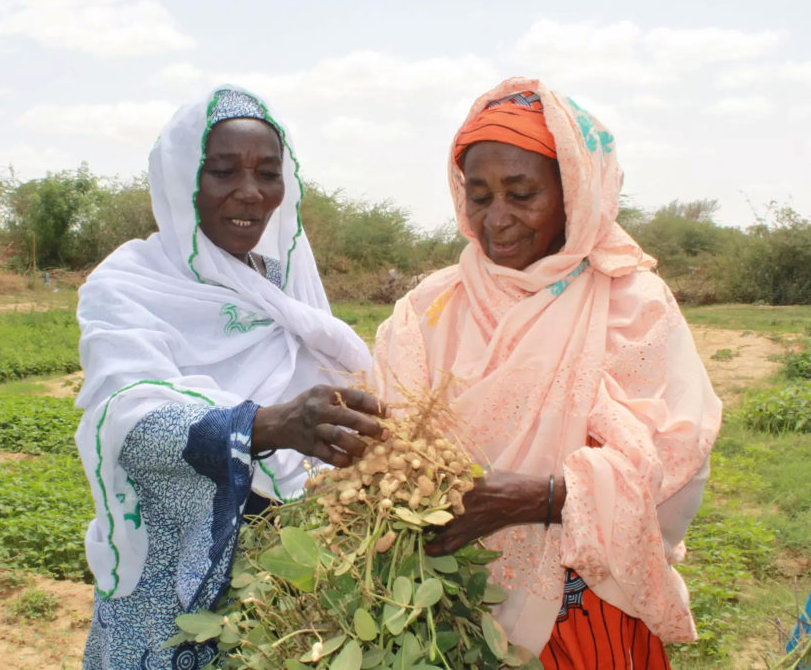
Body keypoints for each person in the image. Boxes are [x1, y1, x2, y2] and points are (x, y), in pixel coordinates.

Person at [374, 78, 722, 668]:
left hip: (585, 600)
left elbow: (675, 455)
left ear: (574, 193)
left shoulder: (631, 303)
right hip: (444, 599)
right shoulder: (432, 306)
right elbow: (389, 436)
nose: (497, 219)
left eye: (522, 193)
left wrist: (541, 498)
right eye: (479, 195)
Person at [74, 86, 385, 670]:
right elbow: (129, 418)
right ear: (181, 180)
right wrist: (267, 425)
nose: (250, 192)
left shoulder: (281, 282)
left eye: (268, 173)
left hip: (294, 566)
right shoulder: (129, 283)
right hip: (175, 584)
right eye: (223, 171)